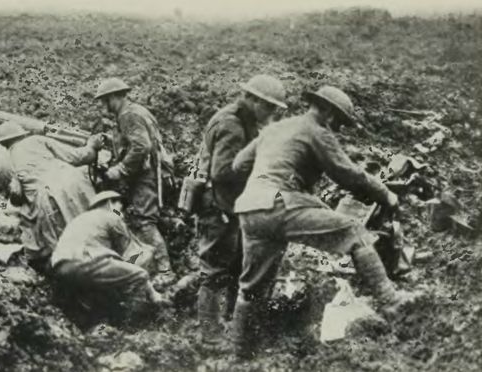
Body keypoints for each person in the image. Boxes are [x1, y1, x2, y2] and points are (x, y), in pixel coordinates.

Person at [230, 86, 419, 359]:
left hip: (250, 210)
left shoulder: (274, 129)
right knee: (356, 233)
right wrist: (385, 194)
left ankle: (240, 354)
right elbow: (347, 173)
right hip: (280, 204)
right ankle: (391, 302)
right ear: (329, 113)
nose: (338, 130)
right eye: (339, 123)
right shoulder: (316, 131)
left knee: (252, 289)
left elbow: (238, 165)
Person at [194, 75, 287, 348]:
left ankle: (234, 323)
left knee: (237, 264)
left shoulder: (244, 121)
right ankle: (210, 336)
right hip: (217, 207)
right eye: (268, 108)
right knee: (213, 270)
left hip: (231, 206)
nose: (270, 114)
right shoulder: (231, 125)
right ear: (253, 100)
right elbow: (222, 171)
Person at [94, 77, 173, 285]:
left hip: (145, 175)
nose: (103, 105)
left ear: (114, 97)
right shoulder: (134, 112)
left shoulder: (129, 115)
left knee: (145, 221)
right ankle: (150, 266)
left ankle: (165, 271)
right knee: (139, 220)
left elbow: (141, 146)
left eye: (104, 100)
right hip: (146, 172)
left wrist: (120, 169)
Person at [0, 121, 103, 266]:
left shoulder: (4, 164)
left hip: (49, 197)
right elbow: (77, 157)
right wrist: (91, 146)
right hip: (74, 180)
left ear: (2, 144)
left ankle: (86, 273)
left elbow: (16, 200)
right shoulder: (38, 140)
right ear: (22, 134)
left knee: (70, 244)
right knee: (97, 228)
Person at [50, 191, 170, 323]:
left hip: (59, 268)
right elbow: (131, 257)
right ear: (110, 203)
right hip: (86, 262)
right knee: (139, 276)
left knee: (101, 298)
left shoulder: (79, 219)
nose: (121, 210)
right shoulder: (111, 216)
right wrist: (151, 290)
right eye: (119, 205)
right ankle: (136, 325)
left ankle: (100, 324)